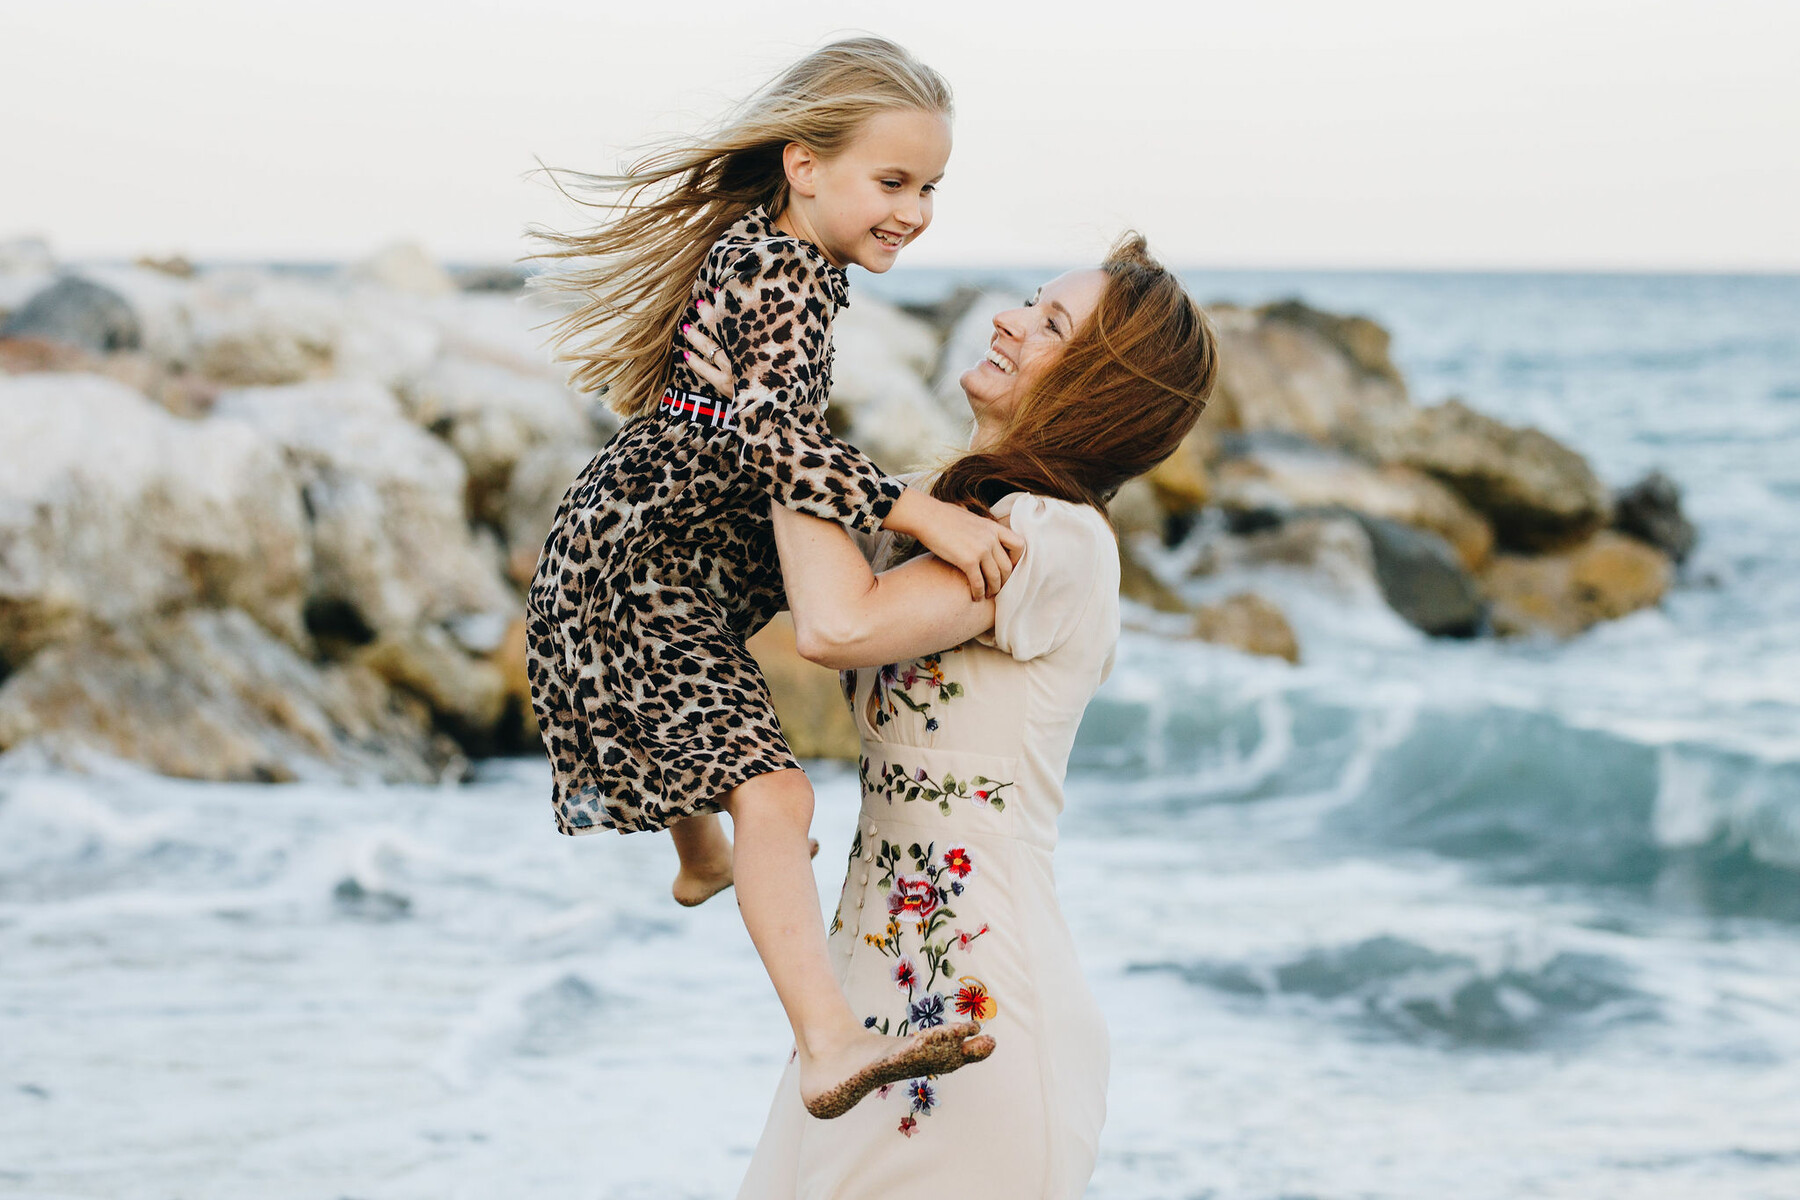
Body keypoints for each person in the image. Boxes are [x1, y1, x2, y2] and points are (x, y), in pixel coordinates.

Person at [524, 37, 1019, 1121]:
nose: (916, 210)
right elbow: (768, 437)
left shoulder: (770, 249)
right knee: (780, 791)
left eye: (929, 187)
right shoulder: (791, 271)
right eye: (892, 182)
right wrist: (915, 503)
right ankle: (829, 1043)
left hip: (628, 540)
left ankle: (703, 860)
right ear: (805, 165)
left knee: (718, 735)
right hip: (645, 567)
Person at [680, 234, 1219, 1196]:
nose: (1008, 320)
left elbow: (838, 625)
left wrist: (777, 421)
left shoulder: (1056, 539)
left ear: (1098, 389)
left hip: (980, 1014)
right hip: (865, 988)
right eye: (1030, 300)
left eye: (1050, 324)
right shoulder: (950, 513)